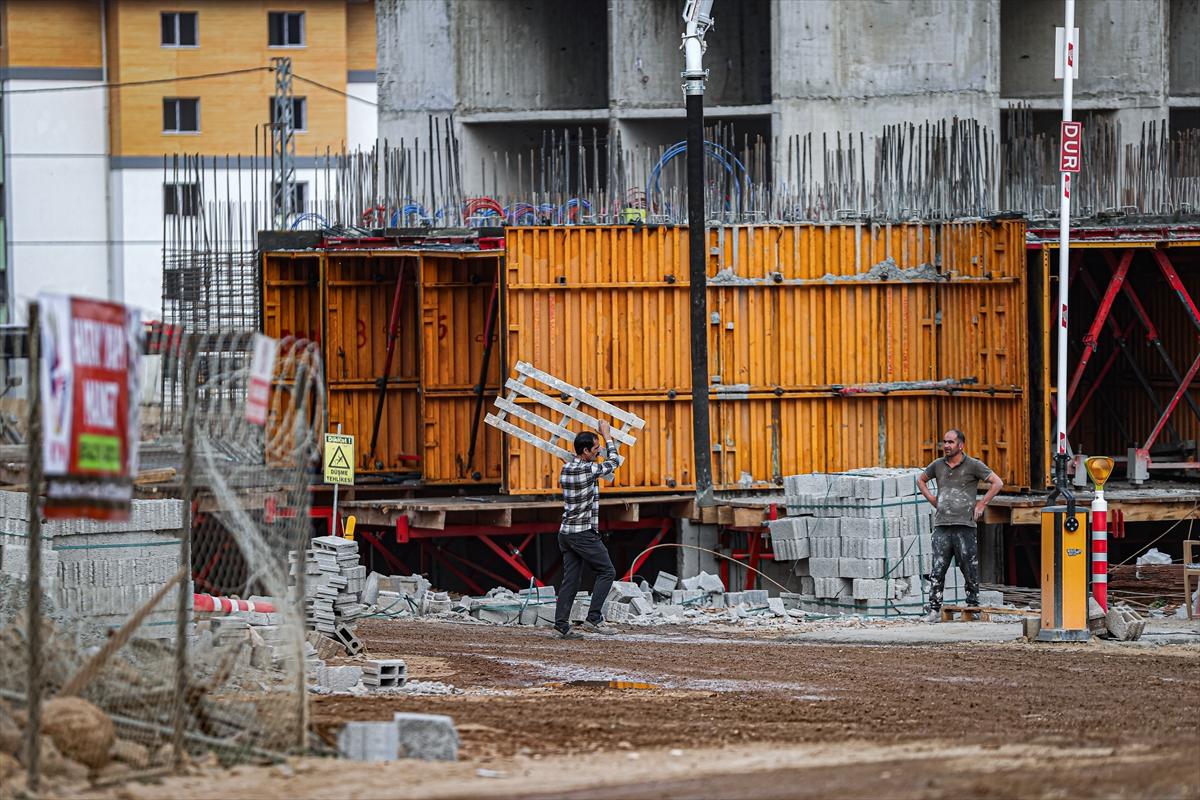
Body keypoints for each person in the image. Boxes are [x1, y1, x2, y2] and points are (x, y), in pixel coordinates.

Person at [916, 429, 1004, 622]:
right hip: (942, 525)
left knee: (969, 568)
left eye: (951, 442)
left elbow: (997, 483)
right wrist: (932, 499)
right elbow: (921, 480)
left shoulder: (973, 465)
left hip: (965, 525)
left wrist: (981, 504)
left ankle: (972, 607)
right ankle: (933, 610)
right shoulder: (937, 465)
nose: (946, 446)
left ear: (961, 445)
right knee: (938, 569)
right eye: (945, 442)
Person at [553, 420, 621, 639]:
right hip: (582, 533)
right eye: (595, 448)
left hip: (565, 533)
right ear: (585, 451)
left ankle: (561, 625)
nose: (598, 450)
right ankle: (594, 618)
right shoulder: (589, 469)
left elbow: (595, 463)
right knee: (607, 571)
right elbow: (614, 462)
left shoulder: (567, 468)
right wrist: (608, 436)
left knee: (571, 579)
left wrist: (600, 444)